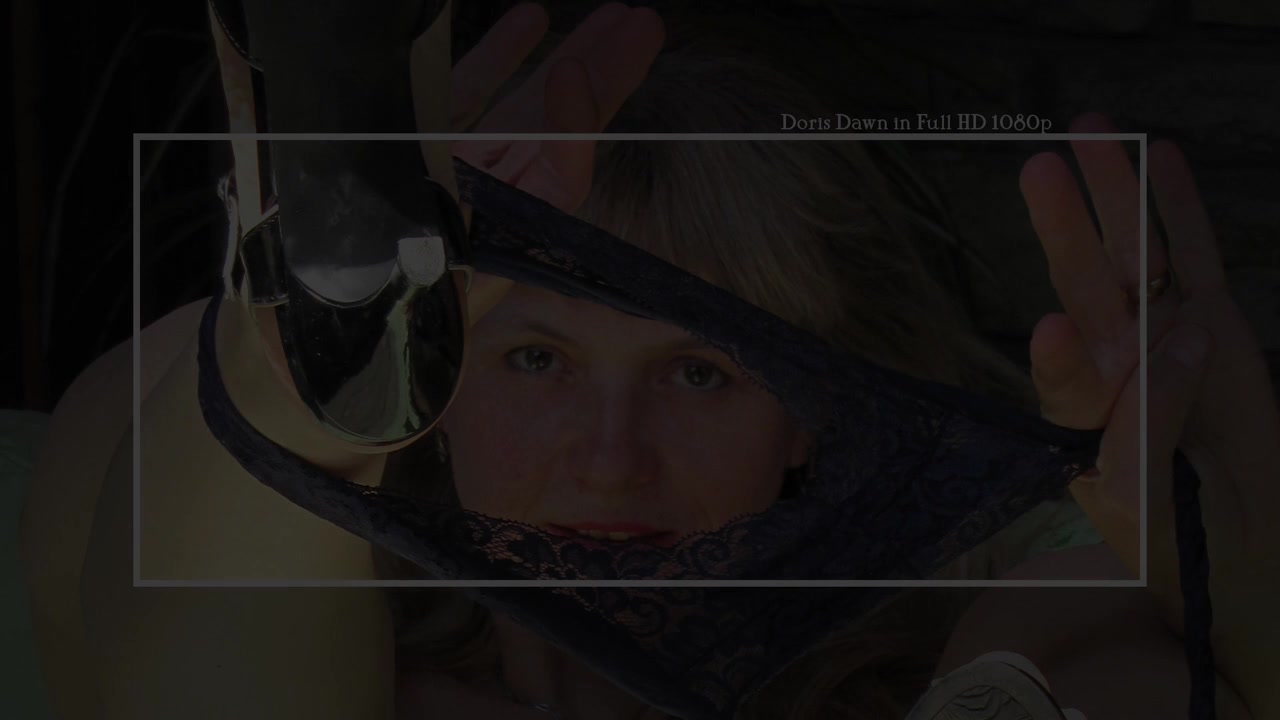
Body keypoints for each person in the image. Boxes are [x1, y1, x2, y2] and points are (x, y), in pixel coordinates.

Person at [20, 3, 1278, 719]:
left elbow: (1110, 629)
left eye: (698, 374)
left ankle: (310, 355)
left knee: (1078, 623)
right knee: (173, 499)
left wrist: (1237, 565)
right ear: (439, 403)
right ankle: (304, 361)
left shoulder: (964, 593)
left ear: (810, 414)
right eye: (534, 360)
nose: (610, 461)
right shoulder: (340, 625)